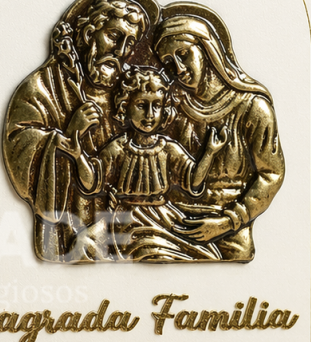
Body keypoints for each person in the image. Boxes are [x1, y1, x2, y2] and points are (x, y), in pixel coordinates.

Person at [3, 0, 150, 262]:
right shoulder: (43, 88)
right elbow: (21, 147)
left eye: (129, 43)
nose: (121, 52)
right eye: (114, 36)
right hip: (67, 223)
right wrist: (68, 135)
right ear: (89, 34)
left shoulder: (128, 92)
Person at [152, 13, 285, 261]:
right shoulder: (171, 107)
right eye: (169, 63)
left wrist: (228, 222)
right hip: (171, 222)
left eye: (183, 54)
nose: (178, 69)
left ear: (207, 49)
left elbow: (271, 174)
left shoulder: (252, 107)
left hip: (228, 231)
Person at [64, 67, 227, 262]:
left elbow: (193, 182)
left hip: (161, 219)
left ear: (164, 109)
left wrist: (209, 152)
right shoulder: (118, 148)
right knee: (82, 245)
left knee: (200, 252)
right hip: (123, 219)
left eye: (156, 106)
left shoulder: (168, 149)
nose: (150, 114)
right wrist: (78, 155)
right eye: (141, 105)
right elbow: (92, 182)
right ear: (125, 106)